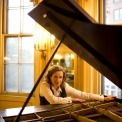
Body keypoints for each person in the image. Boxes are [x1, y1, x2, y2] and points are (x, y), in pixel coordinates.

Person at [39, 65, 115, 105]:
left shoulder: (64, 85)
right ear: (50, 76)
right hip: (43, 115)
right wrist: (71, 99)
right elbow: (53, 101)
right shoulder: (44, 85)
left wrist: (103, 98)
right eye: (55, 77)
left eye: (60, 77)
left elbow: (82, 94)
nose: (58, 80)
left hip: (60, 113)